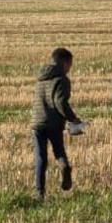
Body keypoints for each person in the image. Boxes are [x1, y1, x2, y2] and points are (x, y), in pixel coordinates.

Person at [32, 47, 82, 199]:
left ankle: (39, 192)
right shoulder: (62, 80)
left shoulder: (41, 78)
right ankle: (65, 167)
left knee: (40, 157)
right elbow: (60, 102)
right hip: (53, 123)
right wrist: (72, 118)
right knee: (59, 151)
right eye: (70, 65)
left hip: (37, 122)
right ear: (65, 63)